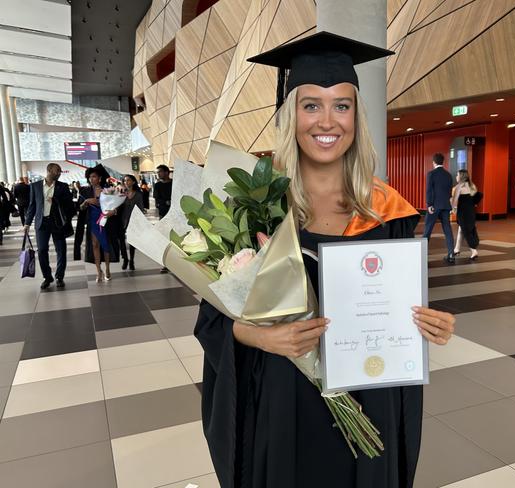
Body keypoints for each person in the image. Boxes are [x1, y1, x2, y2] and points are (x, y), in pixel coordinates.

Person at [193, 32, 456, 488]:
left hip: (368, 395)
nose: (326, 120)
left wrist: (429, 324)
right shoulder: (259, 207)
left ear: (357, 116)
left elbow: (396, 310)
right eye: (311, 104)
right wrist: (262, 338)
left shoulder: (386, 211)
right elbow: (212, 321)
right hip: (283, 397)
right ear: (291, 114)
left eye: (342, 105)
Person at [23, 163, 74, 289]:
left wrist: (56, 202)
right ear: (49, 170)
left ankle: (59, 277)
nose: (59, 173)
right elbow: (32, 205)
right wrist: (27, 223)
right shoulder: (35, 186)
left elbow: (69, 205)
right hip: (42, 222)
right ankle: (47, 277)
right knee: (41, 251)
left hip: (57, 223)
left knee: (61, 250)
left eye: (60, 171)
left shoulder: (63, 186)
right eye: (57, 170)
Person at [79, 165, 120, 282]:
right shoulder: (85, 191)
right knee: (95, 245)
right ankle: (98, 271)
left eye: (94, 177)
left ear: (100, 178)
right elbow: (80, 208)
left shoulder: (108, 190)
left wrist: (112, 210)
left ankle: (107, 268)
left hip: (105, 220)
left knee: (105, 245)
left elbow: (116, 206)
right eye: (90, 177)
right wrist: (85, 203)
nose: (91, 179)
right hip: (92, 221)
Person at [423, 153, 455, 264]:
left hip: (435, 206)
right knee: (447, 230)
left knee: (428, 230)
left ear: (434, 162)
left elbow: (429, 190)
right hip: (445, 206)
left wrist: (429, 205)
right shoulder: (448, 175)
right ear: (443, 162)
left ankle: (422, 254)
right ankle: (451, 253)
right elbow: (449, 191)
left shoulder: (431, 174)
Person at [452, 169, 480, 260]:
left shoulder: (458, 187)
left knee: (466, 231)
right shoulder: (473, 186)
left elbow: (454, 201)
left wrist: (453, 209)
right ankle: (456, 249)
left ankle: (473, 251)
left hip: (463, 213)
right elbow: (476, 200)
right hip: (471, 212)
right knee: (463, 229)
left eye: (457, 175)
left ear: (461, 177)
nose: (456, 176)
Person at [118, 174, 144, 271]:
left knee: (132, 241)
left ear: (133, 182)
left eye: (128, 180)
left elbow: (140, 208)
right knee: (121, 241)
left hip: (133, 219)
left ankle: (132, 260)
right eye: (125, 181)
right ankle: (125, 258)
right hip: (122, 219)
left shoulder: (138, 194)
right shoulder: (121, 193)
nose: (126, 182)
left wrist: (140, 221)